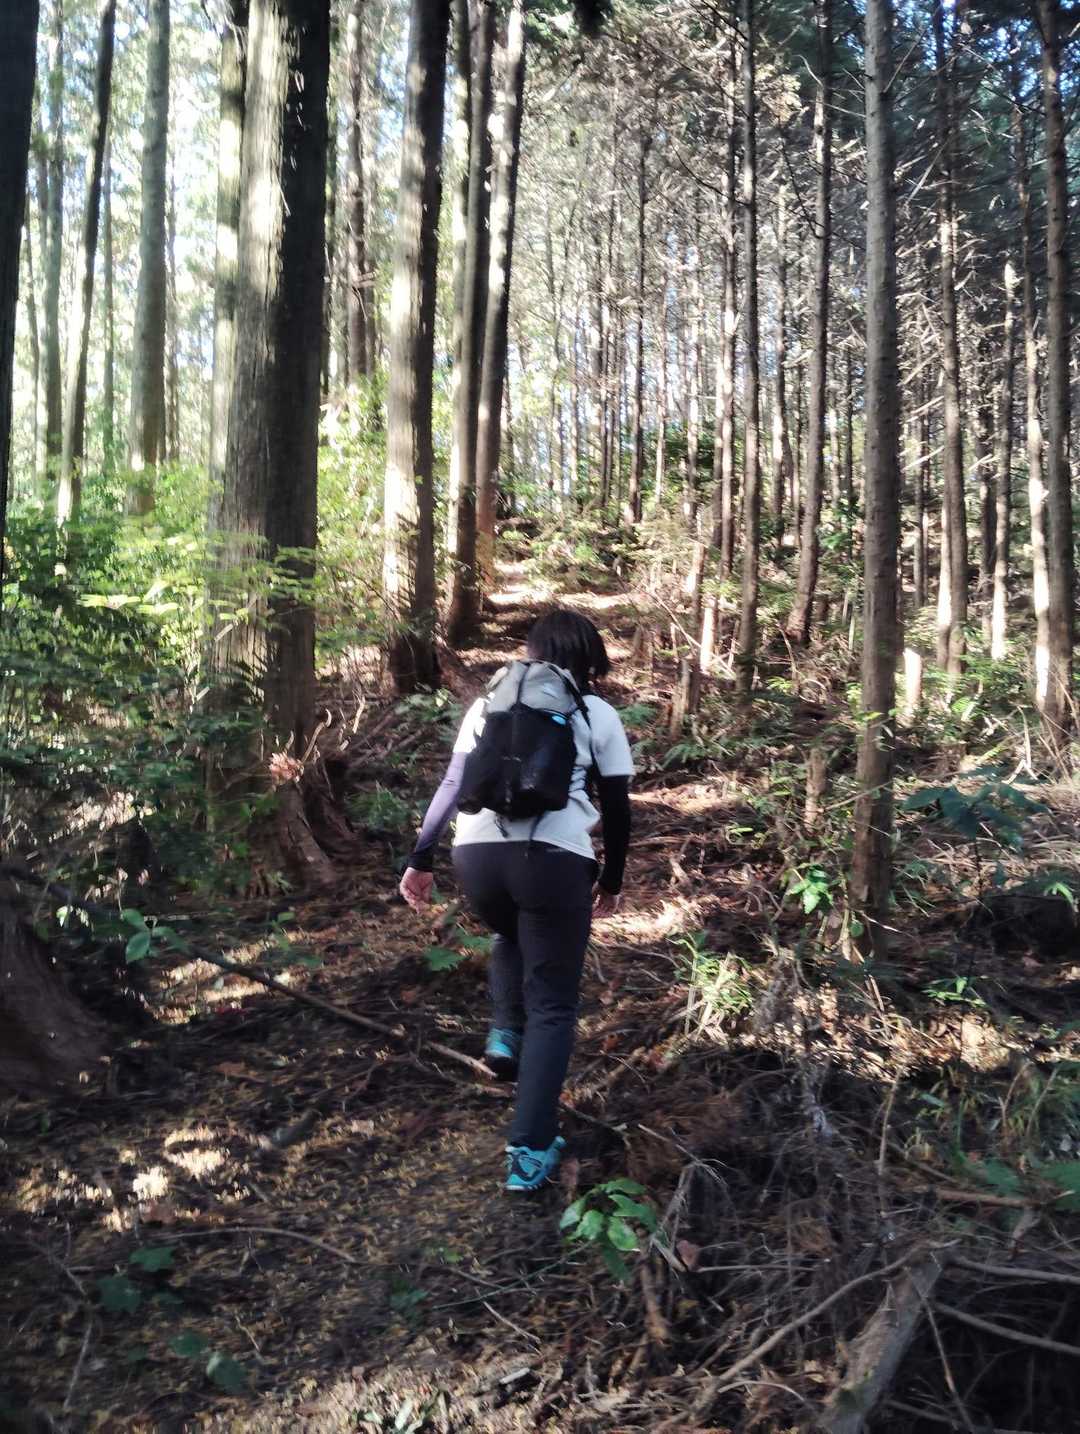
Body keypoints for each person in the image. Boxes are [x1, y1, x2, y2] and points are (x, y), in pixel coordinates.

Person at [398, 609, 634, 1192]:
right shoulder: (594, 712)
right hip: (552, 861)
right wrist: (611, 879)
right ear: (590, 657)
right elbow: (617, 806)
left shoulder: (487, 704)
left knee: (510, 932)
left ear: (531, 651)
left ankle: (505, 1032)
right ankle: (529, 1151)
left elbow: (452, 784)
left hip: (475, 857)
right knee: (553, 1005)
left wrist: (420, 858)